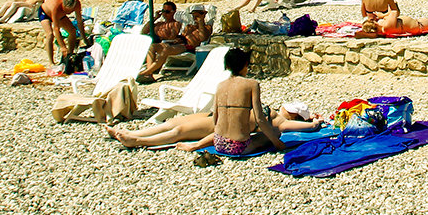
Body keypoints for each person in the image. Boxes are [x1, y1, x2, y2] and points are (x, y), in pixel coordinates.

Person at [174, 48, 287, 156]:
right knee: (275, 132)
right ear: (245, 65)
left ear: (227, 66)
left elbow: (215, 119)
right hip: (239, 147)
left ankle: (197, 145)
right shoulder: (252, 84)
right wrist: (277, 143)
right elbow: (260, 119)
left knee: (225, 131)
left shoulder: (220, 85)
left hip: (219, 143)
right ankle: (200, 145)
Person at [105, 100, 324, 148]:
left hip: (222, 123)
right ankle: (134, 131)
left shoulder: (280, 122)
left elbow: (309, 128)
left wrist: (316, 122)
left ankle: (139, 141)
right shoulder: (277, 114)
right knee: (172, 121)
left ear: (294, 114)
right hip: (216, 114)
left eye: (291, 110)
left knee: (180, 131)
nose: (287, 108)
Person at [138, 3, 213, 80]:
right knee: (152, 46)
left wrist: (200, 22)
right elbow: (182, 36)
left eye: (198, 15)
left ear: (203, 14)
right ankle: (149, 75)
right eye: (194, 15)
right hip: (177, 44)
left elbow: (203, 38)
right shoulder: (189, 26)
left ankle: (145, 72)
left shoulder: (207, 27)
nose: (195, 17)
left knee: (166, 50)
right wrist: (178, 39)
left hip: (189, 47)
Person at [40, 0, 87, 65]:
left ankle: (69, 55)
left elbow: (79, 22)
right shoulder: (56, 6)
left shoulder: (77, 4)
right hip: (45, 13)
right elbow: (56, 29)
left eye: (70, 11)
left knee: (72, 31)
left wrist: (85, 39)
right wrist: (62, 47)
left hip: (61, 15)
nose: (68, 13)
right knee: (50, 34)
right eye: (66, 10)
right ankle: (51, 62)